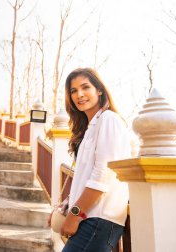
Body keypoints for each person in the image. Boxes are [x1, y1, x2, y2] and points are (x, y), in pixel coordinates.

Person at [61, 68, 130, 252]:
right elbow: (86, 176)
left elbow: (103, 174)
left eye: (85, 87)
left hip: (99, 219)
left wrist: (74, 215)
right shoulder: (90, 128)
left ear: (99, 90)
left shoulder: (109, 120)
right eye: (73, 91)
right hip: (89, 217)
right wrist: (69, 203)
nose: (79, 94)